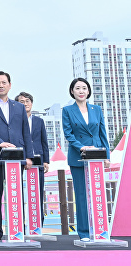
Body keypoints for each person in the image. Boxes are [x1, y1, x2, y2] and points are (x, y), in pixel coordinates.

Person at [0, 71, 33, 245]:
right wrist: (0, 143)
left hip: (16, 158)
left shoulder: (18, 107)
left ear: (10, 85)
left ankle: (18, 230)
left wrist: (28, 156)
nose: (1, 85)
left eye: (4, 82)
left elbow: (25, 132)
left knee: (16, 194)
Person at [62, 77, 110, 242]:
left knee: (97, 194)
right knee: (81, 195)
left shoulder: (96, 109)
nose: (81, 91)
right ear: (72, 91)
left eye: (84, 88)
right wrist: (81, 147)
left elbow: (103, 134)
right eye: (77, 88)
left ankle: (100, 230)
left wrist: (106, 156)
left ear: (88, 91)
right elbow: (68, 134)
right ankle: (83, 232)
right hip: (78, 157)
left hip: (97, 157)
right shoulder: (67, 110)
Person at [15, 92, 49, 224]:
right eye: (21, 102)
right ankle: (20, 223)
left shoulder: (39, 121)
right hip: (20, 159)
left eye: (27, 101)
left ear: (32, 103)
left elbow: (44, 141)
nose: (25, 104)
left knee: (38, 192)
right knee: (19, 192)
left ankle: (38, 223)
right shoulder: (15, 121)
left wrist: (46, 160)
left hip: (37, 160)